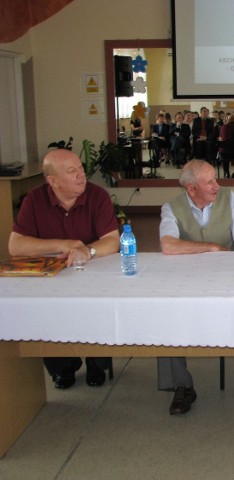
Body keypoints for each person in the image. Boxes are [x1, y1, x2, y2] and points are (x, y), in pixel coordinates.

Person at [8, 149, 120, 389]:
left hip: (93, 270)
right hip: (51, 274)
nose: (82, 175)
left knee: (96, 305)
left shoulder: (97, 196)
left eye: (80, 168)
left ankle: (96, 362)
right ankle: (63, 366)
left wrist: (86, 251)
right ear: (53, 181)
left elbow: (112, 240)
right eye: (72, 171)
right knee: (45, 307)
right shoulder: (35, 200)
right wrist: (62, 244)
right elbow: (15, 246)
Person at [157, 159, 234, 415]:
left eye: (215, 179)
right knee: (167, 312)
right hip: (187, 278)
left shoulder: (229, 199)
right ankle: (182, 385)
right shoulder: (171, 208)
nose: (217, 185)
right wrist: (211, 247)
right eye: (210, 181)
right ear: (191, 189)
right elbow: (168, 245)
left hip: (229, 274)